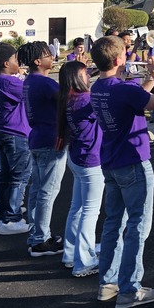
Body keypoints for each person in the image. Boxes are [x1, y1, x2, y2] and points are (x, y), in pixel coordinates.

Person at [90, 35, 154, 308]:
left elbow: (138, 99)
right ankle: (130, 289)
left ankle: (108, 282)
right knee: (137, 225)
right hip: (132, 162)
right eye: (125, 53)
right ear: (118, 60)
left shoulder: (99, 87)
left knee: (114, 222)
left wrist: (146, 78)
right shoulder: (122, 89)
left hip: (111, 162)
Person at [55, 59, 104, 277]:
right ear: (77, 78)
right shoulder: (85, 100)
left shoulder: (69, 98)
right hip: (90, 160)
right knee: (90, 211)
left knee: (78, 208)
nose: (88, 76)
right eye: (85, 74)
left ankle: (71, 252)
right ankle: (84, 261)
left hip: (77, 157)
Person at [20, 41, 67, 258]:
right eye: (48, 54)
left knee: (38, 189)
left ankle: (35, 234)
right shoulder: (45, 83)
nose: (53, 56)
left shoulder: (30, 81)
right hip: (51, 139)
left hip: (37, 138)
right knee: (48, 191)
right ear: (38, 61)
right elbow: (68, 101)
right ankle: (41, 240)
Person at [0, 42, 32, 235]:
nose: (18, 62)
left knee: (6, 175)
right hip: (15, 133)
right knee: (19, 176)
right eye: (15, 59)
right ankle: (12, 218)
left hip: (2, 131)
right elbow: (29, 91)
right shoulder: (9, 82)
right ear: (6, 63)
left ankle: (4, 213)